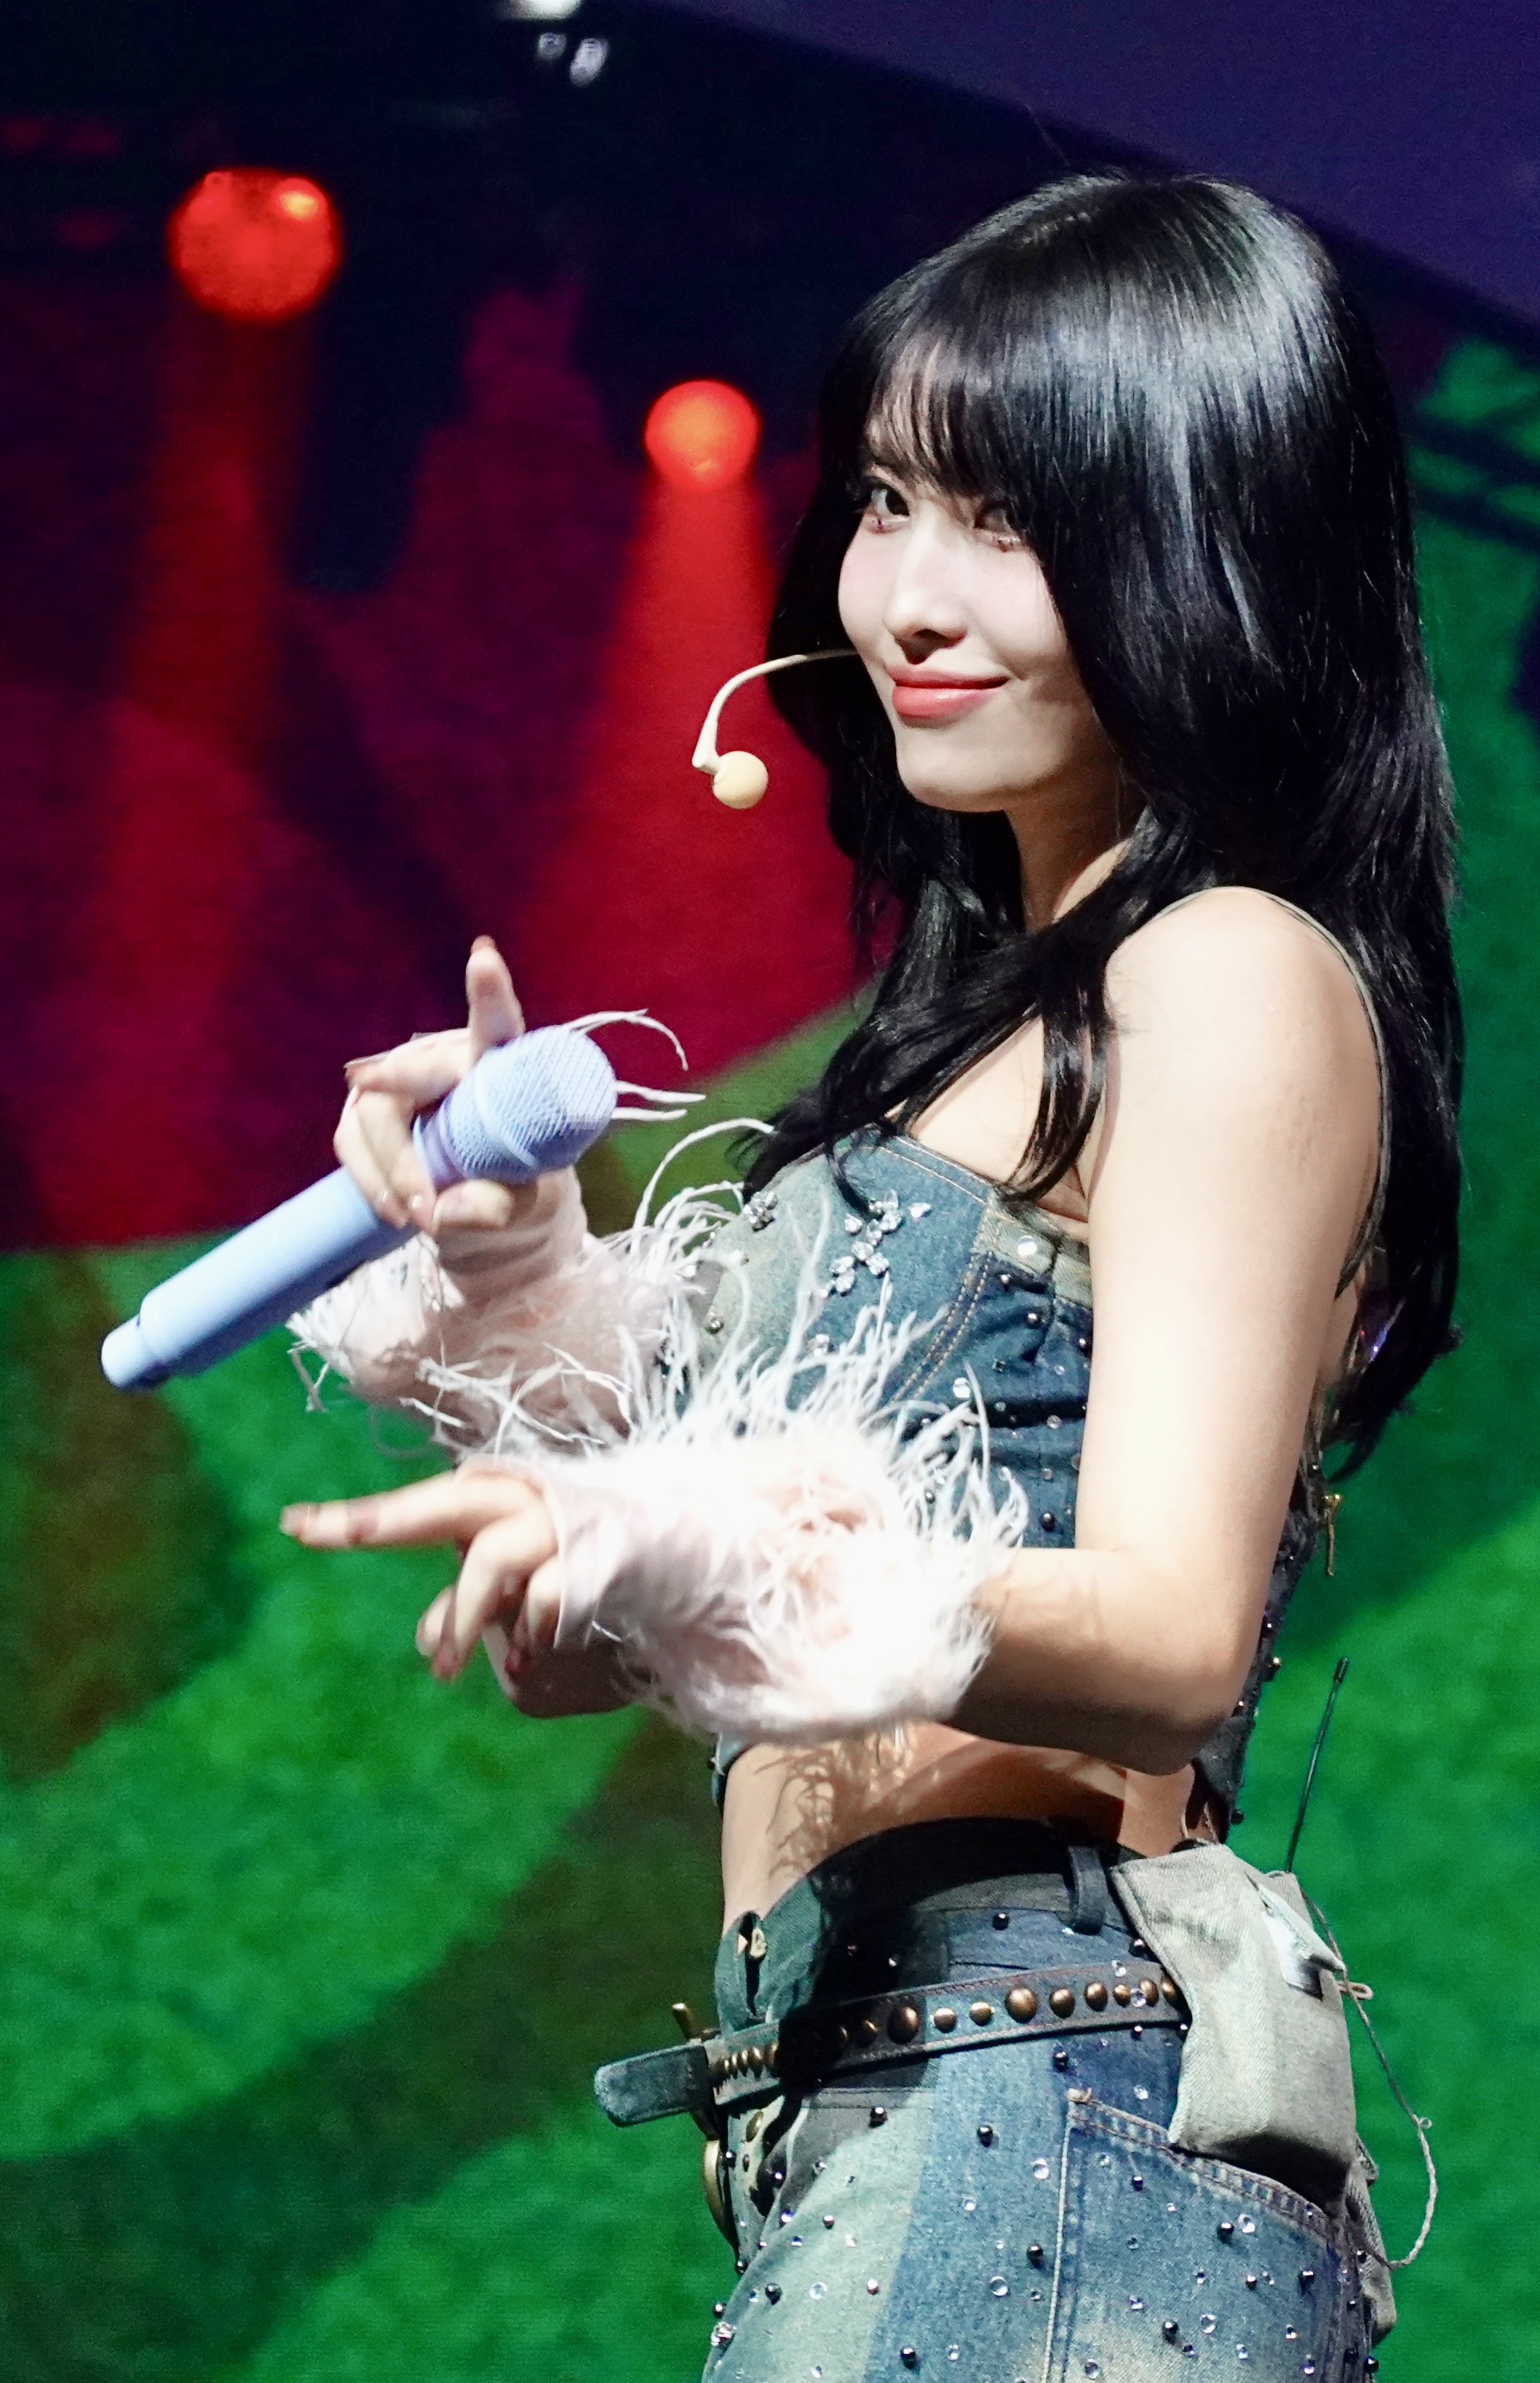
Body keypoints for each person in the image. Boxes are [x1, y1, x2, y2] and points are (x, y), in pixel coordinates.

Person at [282, 173, 1461, 2382]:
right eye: (893, 500)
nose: (906, 594)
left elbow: (1171, 1633)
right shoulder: (968, 1024)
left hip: (1051, 2107)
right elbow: (612, 1642)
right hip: (890, 2109)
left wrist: (719, 1538)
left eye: (1009, 521)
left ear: (1203, 541)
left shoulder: (1227, 969)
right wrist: (517, 1276)